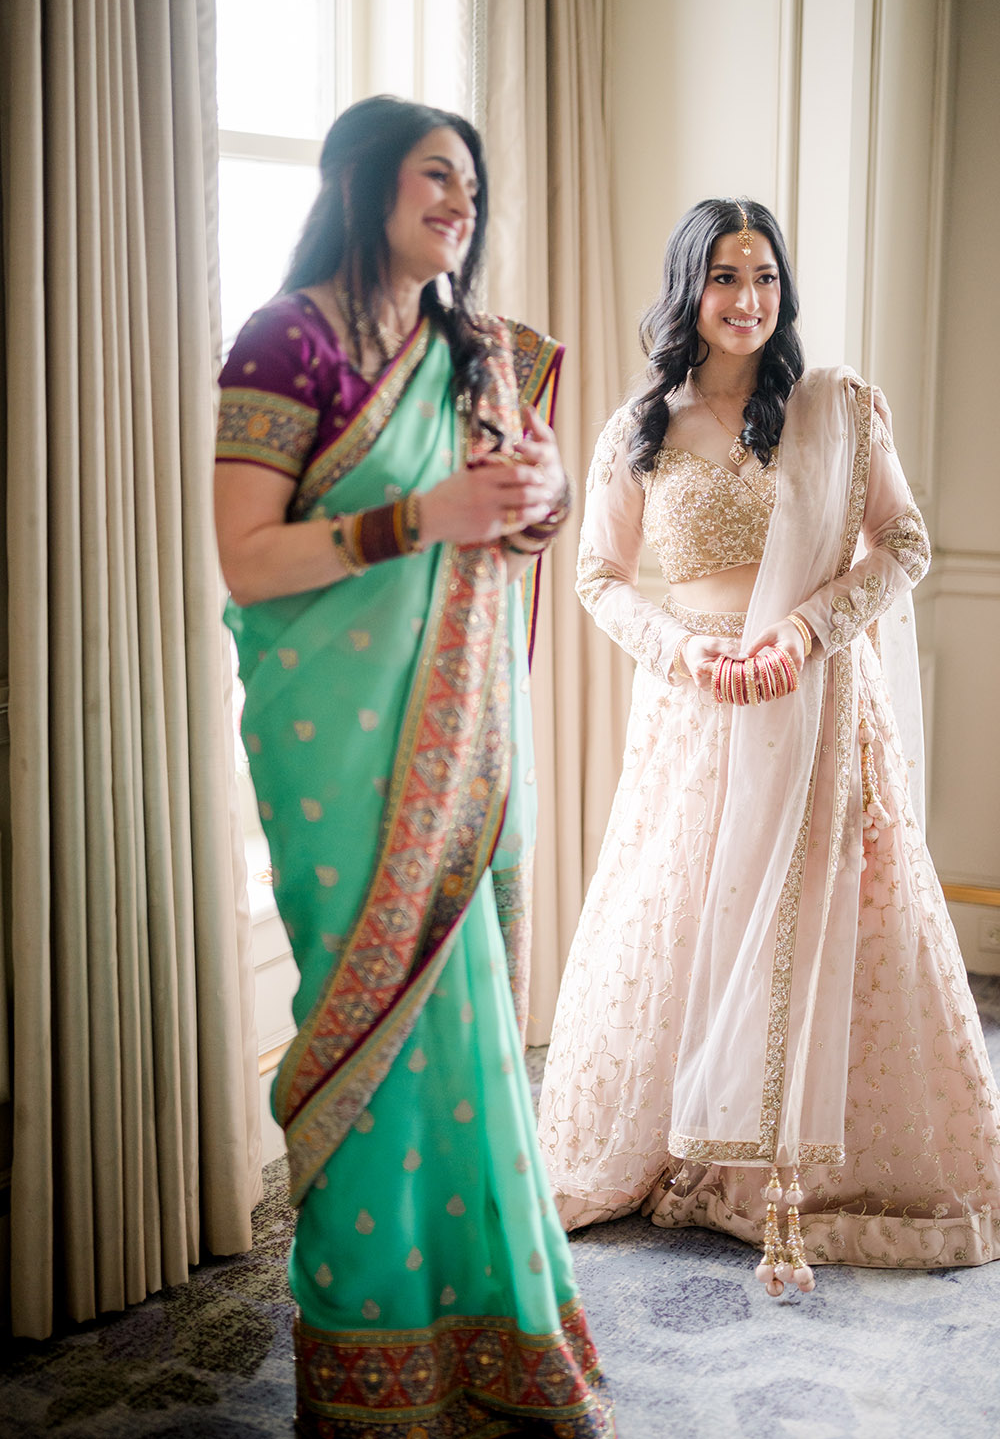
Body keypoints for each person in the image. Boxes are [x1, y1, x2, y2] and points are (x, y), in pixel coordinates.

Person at [215, 95, 614, 1437]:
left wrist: (541, 500)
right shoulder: (285, 342)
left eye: (473, 186)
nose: (461, 202)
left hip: (465, 744)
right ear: (362, 181)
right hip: (339, 747)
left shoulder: (476, 351)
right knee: (368, 1025)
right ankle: (372, 1343)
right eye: (438, 175)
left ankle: (492, 1331)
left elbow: (513, 522)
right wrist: (417, 516)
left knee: (470, 1023)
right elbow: (246, 559)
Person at [537, 197, 1000, 1292]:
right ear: (688, 289)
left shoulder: (835, 409)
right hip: (698, 711)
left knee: (831, 910)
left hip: (818, 700)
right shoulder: (640, 428)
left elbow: (906, 545)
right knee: (689, 910)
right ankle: (681, 1136)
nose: (747, 300)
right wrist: (684, 653)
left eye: (765, 278)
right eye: (725, 277)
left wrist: (804, 629)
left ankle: (802, 1156)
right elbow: (598, 577)